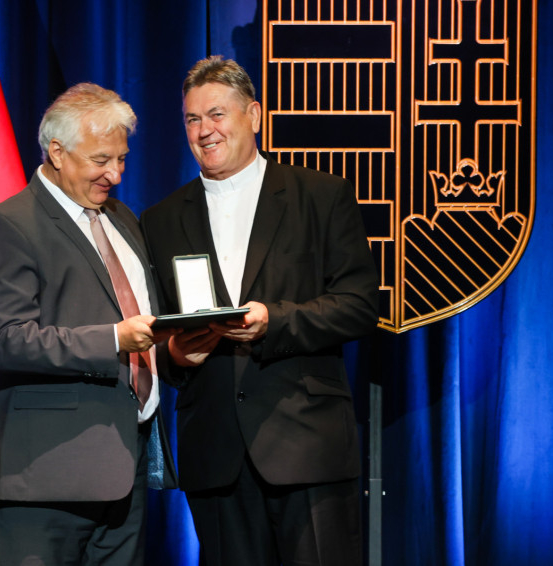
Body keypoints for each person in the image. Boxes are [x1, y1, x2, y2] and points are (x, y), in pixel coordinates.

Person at [140, 56, 379, 566]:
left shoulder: (320, 196)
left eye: (217, 114)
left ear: (254, 115)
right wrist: (176, 356)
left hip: (307, 445)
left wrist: (276, 321)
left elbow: (360, 306)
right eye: (192, 119)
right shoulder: (159, 220)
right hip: (215, 453)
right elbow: (153, 331)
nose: (204, 130)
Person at [0, 82, 177, 565]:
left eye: (121, 159)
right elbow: (9, 342)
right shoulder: (7, 226)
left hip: (124, 473)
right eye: (101, 159)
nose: (115, 174)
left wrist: (176, 352)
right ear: (57, 153)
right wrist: (114, 339)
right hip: (44, 479)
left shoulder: (121, 218)